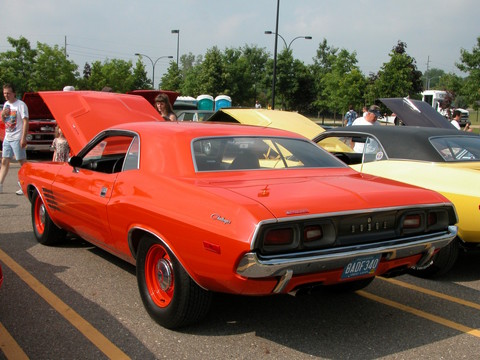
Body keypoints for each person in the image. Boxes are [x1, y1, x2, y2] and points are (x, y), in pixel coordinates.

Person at [0, 83, 29, 195]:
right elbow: (4, 120)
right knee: (4, 161)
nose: (6, 95)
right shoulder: (6, 104)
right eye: (4, 93)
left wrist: (23, 138)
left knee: (22, 162)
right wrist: (3, 115)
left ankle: (24, 185)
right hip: (8, 136)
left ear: (14, 93)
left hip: (17, 137)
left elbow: (26, 121)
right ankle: (0, 184)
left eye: (8, 93)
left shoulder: (20, 105)